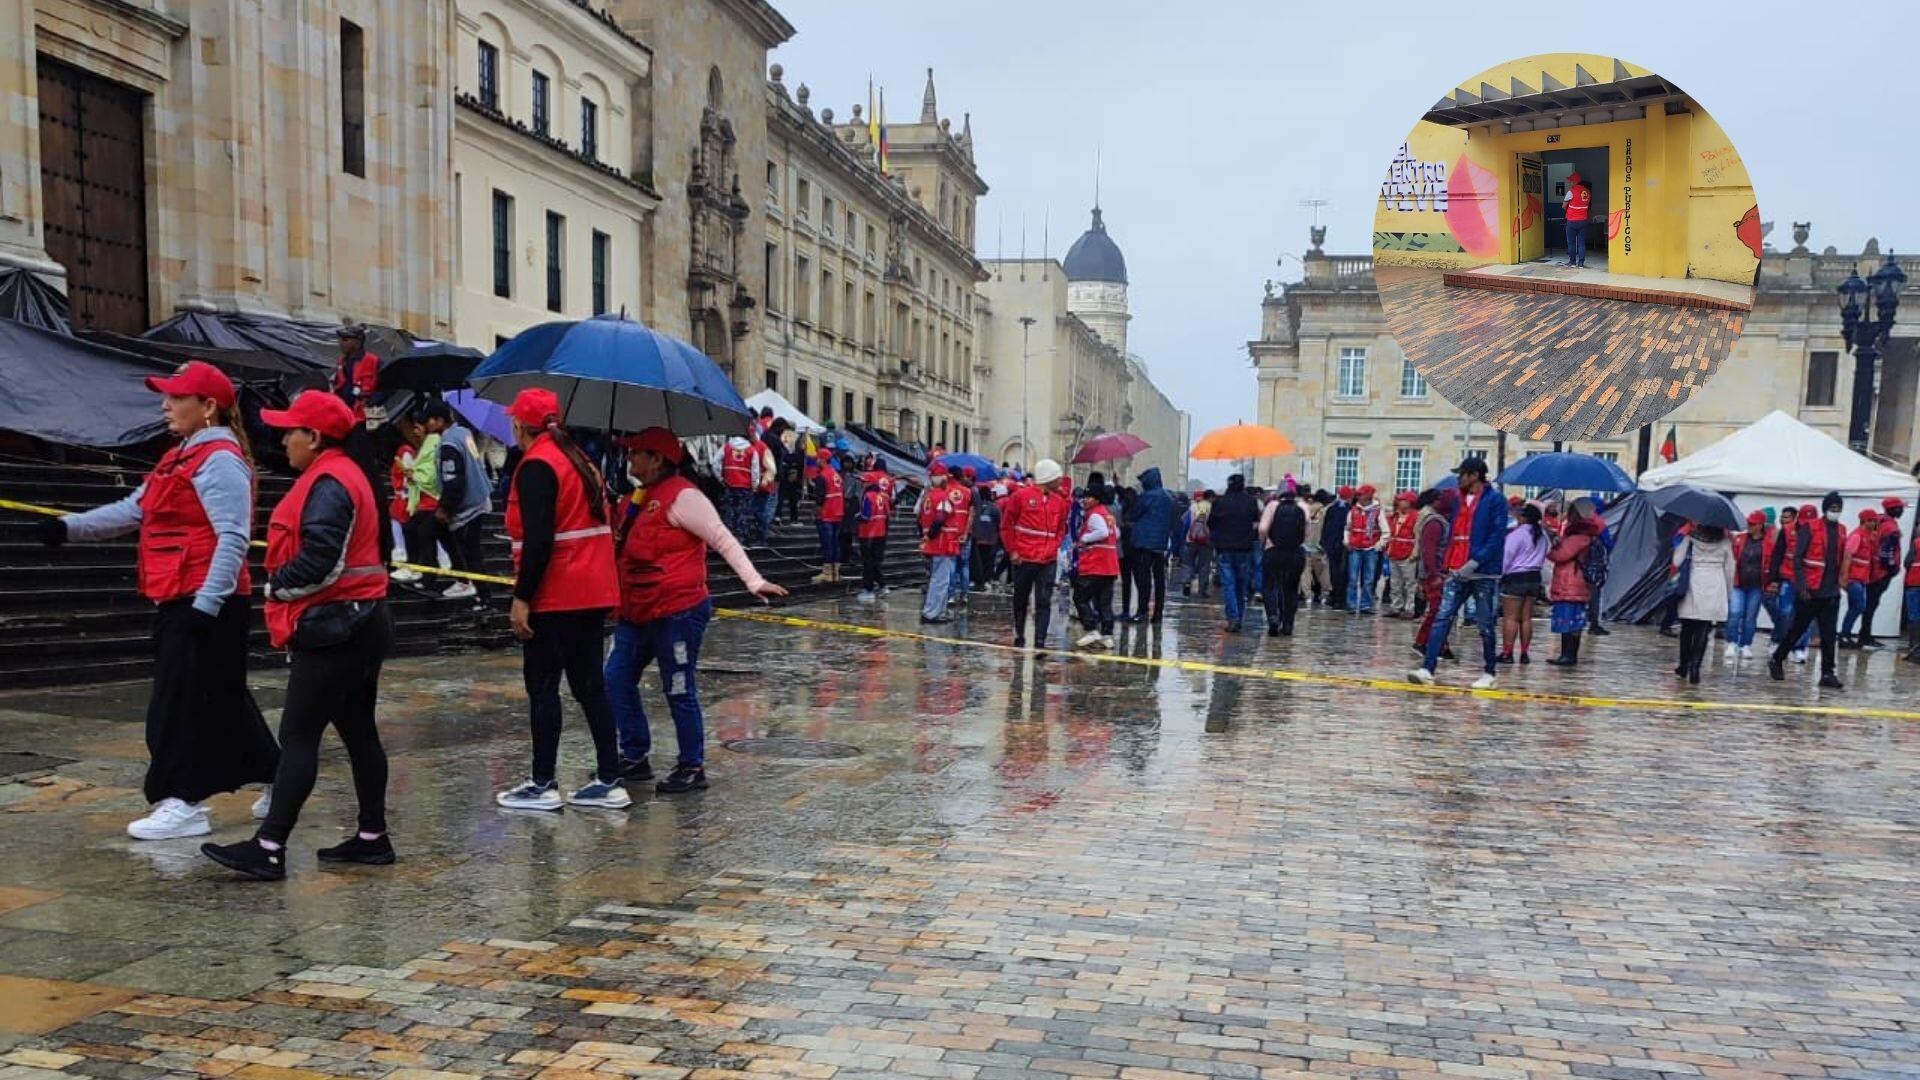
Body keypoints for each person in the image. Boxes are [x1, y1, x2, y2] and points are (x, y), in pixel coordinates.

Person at [39, 361, 279, 840]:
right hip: (183, 596)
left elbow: (233, 538)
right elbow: (134, 510)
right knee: (222, 699)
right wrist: (69, 528)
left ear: (208, 406)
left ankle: (182, 801)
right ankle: (282, 778)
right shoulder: (181, 456)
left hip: (204, 601)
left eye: (176, 397)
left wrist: (204, 607)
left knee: (176, 704)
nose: (165, 405)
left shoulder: (220, 461)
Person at [201, 391, 393, 880]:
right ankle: (372, 837)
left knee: (299, 736)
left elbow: (321, 559)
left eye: (291, 430)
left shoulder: (330, 480)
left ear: (315, 436)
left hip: (335, 626)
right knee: (358, 731)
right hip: (361, 621)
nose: (283, 439)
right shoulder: (344, 475)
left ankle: (269, 847)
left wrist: (276, 587)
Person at [605, 428, 787, 796]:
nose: (630, 459)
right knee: (615, 679)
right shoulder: (636, 497)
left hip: (677, 611)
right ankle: (634, 755)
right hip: (637, 610)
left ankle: (692, 765)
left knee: (677, 687)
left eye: (637, 452)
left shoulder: (684, 496)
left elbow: (722, 538)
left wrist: (753, 581)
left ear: (657, 459)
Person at [495, 388, 629, 811]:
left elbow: (539, 541)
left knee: (543, 686)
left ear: (520, 425)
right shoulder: (579, 460)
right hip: (591, 591)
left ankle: (542, 783)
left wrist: (522, 598)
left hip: (557, 593)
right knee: (590, 685)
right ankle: (609, 777)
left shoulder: (538, 465)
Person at [1410, 458, 1509, 689]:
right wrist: (1448, 566)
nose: (1458, 479)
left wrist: (1476, 561)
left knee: (1484, 623)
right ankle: (1428, 667)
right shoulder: (1458, 500)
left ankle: (1489, 671)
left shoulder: (1495, 501)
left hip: (1482, 572)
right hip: (1456, 568)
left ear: (1474, 475)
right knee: (1442, 618)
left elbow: (1497, 535)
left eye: (1462, 474)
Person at [1770, 491, 1848, 689]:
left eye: (1838, 509)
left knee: (1829, 634)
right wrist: (1801, 586)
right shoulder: (1810, 528)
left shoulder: (1841, 530)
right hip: (1811, 590)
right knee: (1797, 629)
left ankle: (1827, 673)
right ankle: (1777, 658)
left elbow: (1840, 558)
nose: (1835, 512)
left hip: (1831, 592)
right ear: (1825, 509)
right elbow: (1797, 558)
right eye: (1832, 508)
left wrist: (1840, 584)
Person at [420, 401, 492, 606]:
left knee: (471, 552)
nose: (427, 426)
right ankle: (464, 582)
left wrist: (445, 508)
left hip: (467, 504)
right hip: (478, 498)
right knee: (455, 542)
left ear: (440, 421)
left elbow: (453, 479)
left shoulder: (449, 443)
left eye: (429, 421)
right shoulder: (463, 432)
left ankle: (481, 595)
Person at [1000, 459, 1072, 649]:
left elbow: (1062, 528)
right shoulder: (1020, 497)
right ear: (1048, 478)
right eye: (1057, 478)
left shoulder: (1060, 502)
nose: (1061, 482)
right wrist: (1013, 551)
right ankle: (1020, 633)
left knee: (1044, 600)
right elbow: (1007, 526)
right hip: (1024, 558)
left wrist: (1055, 544)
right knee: (1021, 598)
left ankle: (1040, 641)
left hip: (1047, 559)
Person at [1673, 524, 1734, 686]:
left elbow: (1676, 560)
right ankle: (1695, 668)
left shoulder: (1690, 538)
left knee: (1687, 629)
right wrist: (1728, 593)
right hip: (1715, 585)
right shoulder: (1726, 542)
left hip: (1693, 583)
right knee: (1703, 628)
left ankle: (1683, 665)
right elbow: (1729, 570)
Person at [1544, 498, 1600, 666]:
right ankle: (1570, 654)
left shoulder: (1578, 537)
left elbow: (1559, 556)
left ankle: (1567, 655)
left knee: (1567, 620)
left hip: (1570, 582)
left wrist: (1553, 545)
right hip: (1579, 582)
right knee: (1575, 621)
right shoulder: (1587, 535)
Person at [1207, 473, 1260, 632]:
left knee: (1229, 584)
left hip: (1225, 548)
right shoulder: (1250, 502)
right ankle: (1239, 616)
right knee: (1241, 585)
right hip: (1244, 548)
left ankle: (1233, 618)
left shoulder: (1220, 502)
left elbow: (1211, 524)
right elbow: (1255, 521)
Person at [1072, 482, 1121, 650]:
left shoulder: (1094, 515)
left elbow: (1103, 533)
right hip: (1110, 565)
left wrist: (1085, 539)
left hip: (1095, 564)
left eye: (1088, 497)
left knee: (1080, 597)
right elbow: (1116, 533)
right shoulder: (1108, 515)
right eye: (1084, 497)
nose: (1085, 500)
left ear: (1097, 499)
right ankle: (1107, 635)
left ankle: (1091, 628)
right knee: (1104, 602)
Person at [1123, 467, 1176, 623]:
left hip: (1144, 543)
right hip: (1160, 544)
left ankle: (1142, 611)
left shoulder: (1147, 496)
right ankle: (1158, 613)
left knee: (1144, 578)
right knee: (1159, 579)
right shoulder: (1168, 497)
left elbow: (1134, 514)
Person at [1499, 503, 1550, 665]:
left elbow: (1506, 557)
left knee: (1511, 618)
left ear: (1523, 518)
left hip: (1515, 577)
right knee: (1526, 618)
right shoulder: (1542, 535)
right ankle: (1524, 653)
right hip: (1534, 577)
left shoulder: (1516, 535)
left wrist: (1501, 574)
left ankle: (1507, 653)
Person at [1411, 488, 1456, 659]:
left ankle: (1442, 645)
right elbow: (1428, 550)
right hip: (1435, 573)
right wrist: (1434, 573)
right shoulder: (1435, 522)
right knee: (1437, 610)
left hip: (1439, 571)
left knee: (1441, 610)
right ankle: (1422, 641)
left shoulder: (1442, 521)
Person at [1726, 510, 1776, 660]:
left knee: (1750, 616)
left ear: (1761, 525)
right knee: (1735, 613)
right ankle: (1732, 642)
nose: (1749, 526)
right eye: (1749, 523)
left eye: (1753, 524)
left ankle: (1746, 644)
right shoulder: (1740, 539)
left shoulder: (1768, 543)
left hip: (1757, 585)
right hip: (1738, 583)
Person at [1258, 486, 1307, 636]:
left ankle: (1273, 615)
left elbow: (1262, 528)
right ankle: (1288, 623)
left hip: (1274, 550)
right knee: (1291, 588)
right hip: (1295, 552)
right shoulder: (1303, 507)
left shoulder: (1272, 506)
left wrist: (1264, 543)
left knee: (1270, 585)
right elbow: (1307, 531)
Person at [918, 464, 962, 623]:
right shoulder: (943, 498)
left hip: (935, 544)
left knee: (937, 579)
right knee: (941, 581)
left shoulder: (928, 497)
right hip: (943, 543)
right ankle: (932, 613)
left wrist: (926, 537)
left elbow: (921, 519)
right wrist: (930, 535)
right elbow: (940, 518)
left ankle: (937, 611)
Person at [1859, 497, 1905, 648]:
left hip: (1870, 569)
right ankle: (1865, 636)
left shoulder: (1877, 520)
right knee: (1872, 604)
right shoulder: (1891, 527)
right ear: (1894, 509)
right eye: (1900, 508)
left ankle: (1864, 634)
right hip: (1881, 573)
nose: (1903, 511)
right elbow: (1886, 551)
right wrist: (1892, 568)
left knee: (1869, 605)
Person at [855, 460, 892, 602]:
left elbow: (865, 516)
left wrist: (856, 518)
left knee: (868, 562)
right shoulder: (881, 496)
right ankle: (882, 586)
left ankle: (868, 589)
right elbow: (887, 514)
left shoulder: (868, 496)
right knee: (875, 562)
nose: (862, 484)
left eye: (864, 482)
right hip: (880, 532)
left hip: (868, 533)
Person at [1344, 485, 1384, 614]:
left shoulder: (1377, 511)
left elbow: (1386, 531)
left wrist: (1378, 545)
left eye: (1361, 495)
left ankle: (1366, 604)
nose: (1358, 497)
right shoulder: (1354, 510)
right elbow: (1348, 527)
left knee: (1368, 578)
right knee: (1352, 577)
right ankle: (1351, 604)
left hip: (1371, 548)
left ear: (1368, 496)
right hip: (1355, 547)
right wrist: (1346, 541)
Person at [809, 448, 845, 585]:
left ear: (822, 460)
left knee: (827, 544)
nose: (816, 461)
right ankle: (836, 572)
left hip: (827, 513)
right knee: (835, 543)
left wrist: (816, 512)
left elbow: (819, 498)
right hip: (838, 512)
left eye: (818, 458)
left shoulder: (823, 476)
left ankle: (827, 573)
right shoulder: (836, 474)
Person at [1383, 491, 1420, 618]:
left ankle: (1410, 608)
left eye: (1402, 500)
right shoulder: (1395, 516)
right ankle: (1396, 606)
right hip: (1394, 552)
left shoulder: (1416, 517)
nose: (1399, 502)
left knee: (1410, 583)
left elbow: (1418, 537)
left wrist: (1415, 553)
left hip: (1408, 554)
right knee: (1395, 583)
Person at [332, 325, 380, 415]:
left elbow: (382, 388)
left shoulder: (372, 361)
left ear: (357, 342)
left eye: (345, 340)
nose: (340, 343)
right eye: (340, 339)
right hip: (344, 411)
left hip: (363, 413)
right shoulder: (341, 361)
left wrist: (371, 402)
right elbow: (338, 384)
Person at [948, 466, 978, 605]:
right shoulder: (968, 492)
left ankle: (951, 596)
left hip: (950, 533)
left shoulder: (946, 491)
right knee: (965, 565)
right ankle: (965, 595)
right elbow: (971, 514)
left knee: (952, 564)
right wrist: (966, 532)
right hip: (965, 533)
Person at [718, 434, 757, 539]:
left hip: (729, 483)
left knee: (729, 510)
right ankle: (741, 537)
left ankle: (728, 537)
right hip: (745, 486)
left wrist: (720, 478)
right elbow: (755, 470)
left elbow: (715, 463)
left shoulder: (726, 447)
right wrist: (754, 485)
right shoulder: (751, 449)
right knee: (742, 511)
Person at [1180, 490, 1214, 599]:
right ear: (1211, 497)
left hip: (1191, 539)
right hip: (1206, 541)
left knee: (1188, 564)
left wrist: (1185, 536)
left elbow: (1184, 522)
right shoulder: (1212, 508)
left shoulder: (1193, 507)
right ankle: (1202, 590)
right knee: (1204, 565)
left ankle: (1186, 583)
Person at [970, 486, 1001, 593]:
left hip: (976, 538)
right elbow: (999, 523)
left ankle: (976, 580)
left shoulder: (975, 507)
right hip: (990, 539)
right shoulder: (994, 508)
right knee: (988, 561)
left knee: (976, 561)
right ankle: (986, 580)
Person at [1323, 487, 1350, 610]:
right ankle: (1340, 598)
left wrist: (1324, 543)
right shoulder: (1348, 510)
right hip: (1343, 545)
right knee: (1342, 572)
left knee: (1334, 571)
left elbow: (1326, 527)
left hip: (1332, 545)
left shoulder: (1332, 509)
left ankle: (1336, 597)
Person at [1302, 492, 1331, 606]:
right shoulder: (1325, 512)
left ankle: (1308, 595)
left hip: (1305, 545)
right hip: (1319, 546)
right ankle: (1325, 594)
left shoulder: (1306, 510)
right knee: (1323, 573)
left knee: (1305, 573)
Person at [775, 423, 805, 524]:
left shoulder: (780, 436)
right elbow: (800, 452)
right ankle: (794, 518)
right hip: (793, 467)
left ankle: (778, 516)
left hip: (782, 466)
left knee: (781, 495)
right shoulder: (796, 436)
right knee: (793, 497)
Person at [1563, 170, 1591, 268]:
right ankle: (1581, 263)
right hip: (1583, 220)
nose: (1570, 182)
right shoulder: (1587, 192)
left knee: (1571, 242)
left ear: (1574, 181)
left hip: (1572, 221)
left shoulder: (1571, 191)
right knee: (1581, 242)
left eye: (1571, 181)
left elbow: (1564, 206)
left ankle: (1572, 261)